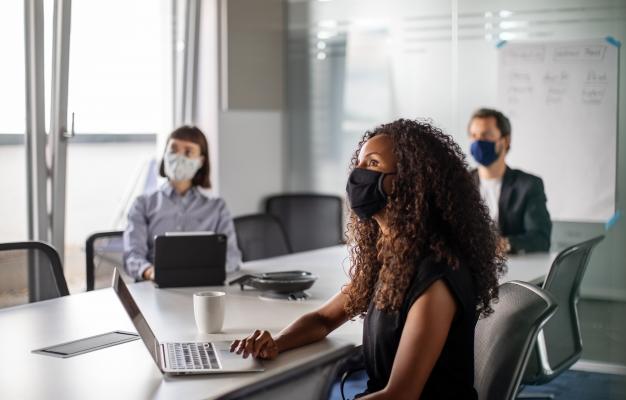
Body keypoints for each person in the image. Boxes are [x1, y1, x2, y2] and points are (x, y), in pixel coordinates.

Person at [231, 119, 504, 399]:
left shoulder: (437, 275)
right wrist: (276, 342)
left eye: (372, 164)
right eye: (359, 164)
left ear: (410, 181)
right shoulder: (391, 256)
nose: (357, 175)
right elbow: (324, 319)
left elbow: (401, 395)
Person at [123, 126, 242, 281]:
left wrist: (199, 272)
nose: (179, 157)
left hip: (205, 287)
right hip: (154, 286)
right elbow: (132, 256)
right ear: (165, 154)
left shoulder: (217, 207)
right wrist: (151, 272)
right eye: (173, 150)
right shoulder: (142, 204)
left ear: (201, 161)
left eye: (188, 152)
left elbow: (232, 257)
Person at [468, 108, 552, 254]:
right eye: (473, 135)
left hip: (511, 268)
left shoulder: (528, 185)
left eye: (486, 135)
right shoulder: (460, 183)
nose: (478, 141)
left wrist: (502, 245)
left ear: (505, 141)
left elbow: (540, 239)